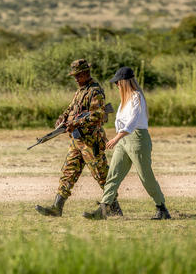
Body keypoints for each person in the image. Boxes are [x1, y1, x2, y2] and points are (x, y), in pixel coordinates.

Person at [35, 59, 122, 217]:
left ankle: (113, 209)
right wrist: (63, 118)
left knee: (101, 175)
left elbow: (98, 115)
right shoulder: (80, 91)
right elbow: (71, 108)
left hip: (91, 142)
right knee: (68, 172)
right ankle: (57, 207)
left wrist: (76, 123)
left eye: (78, 75)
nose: (75, 78)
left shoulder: (95, 91)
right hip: (77, 141)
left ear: (86, 73)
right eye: (74, 75)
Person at [84, 66, 171, 220]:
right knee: (113, 174)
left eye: (117, 82)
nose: (116, 85)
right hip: (123, 140)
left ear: (124, 82)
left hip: (137, 140)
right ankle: (103, 209)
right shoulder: (124, 100)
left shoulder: (137, 97)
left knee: (145, 176)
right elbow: (121, 123)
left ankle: (161, 208)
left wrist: (116, 138)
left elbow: (132, 122)